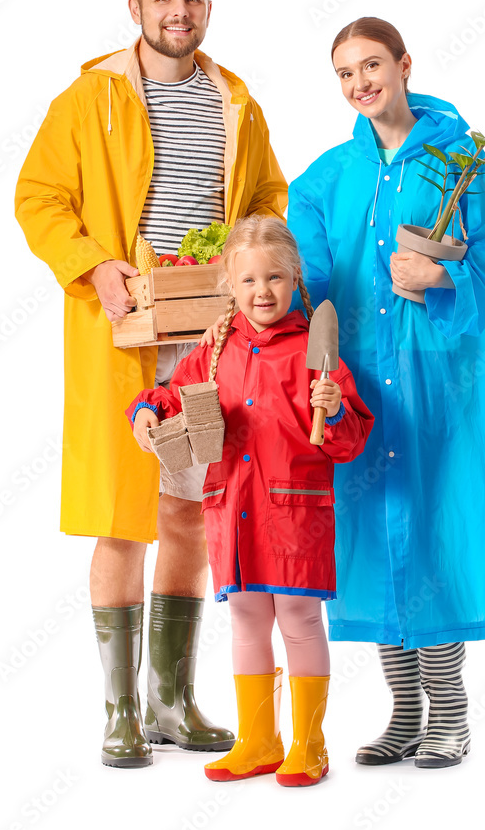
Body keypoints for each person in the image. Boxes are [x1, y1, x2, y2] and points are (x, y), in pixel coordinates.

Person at [14, 0, 288, 768]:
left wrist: (244, 266)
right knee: (120, 518)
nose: (180, 12)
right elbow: (37, 196)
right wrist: (95, 264)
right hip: (122, 338)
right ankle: (119, 711)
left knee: (188, 512)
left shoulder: (233, 99)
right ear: (133, 7)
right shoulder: (91, 96)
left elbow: (267, 197)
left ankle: (172, 702)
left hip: (209, 342)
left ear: (209, 6)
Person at [286, 17, 485, 768]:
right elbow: (309, 281)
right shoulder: (327, 176)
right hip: (360, 382)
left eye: (371, 65)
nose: (360, 83)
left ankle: (448, 713)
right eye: (345, 73)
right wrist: (307, 356)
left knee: (436, 528)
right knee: (370, 542)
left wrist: (441, 276)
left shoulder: (462, 160)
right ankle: (401, 714)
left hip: (446, 374)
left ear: (403, 64)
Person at [127, 216, 374, 785]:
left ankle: (309, 745)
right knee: (246, 617)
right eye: (248, 281)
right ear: (229, 286)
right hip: (231, 506)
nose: (262, 291)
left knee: (298, 616)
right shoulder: (214, 351)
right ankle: (260, 740)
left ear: (295, 279)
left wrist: (332, 408)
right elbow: (170, 394)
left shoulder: (316, 350)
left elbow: (350, 438)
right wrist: (147, 410)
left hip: (295, 511)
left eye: (275, 278)